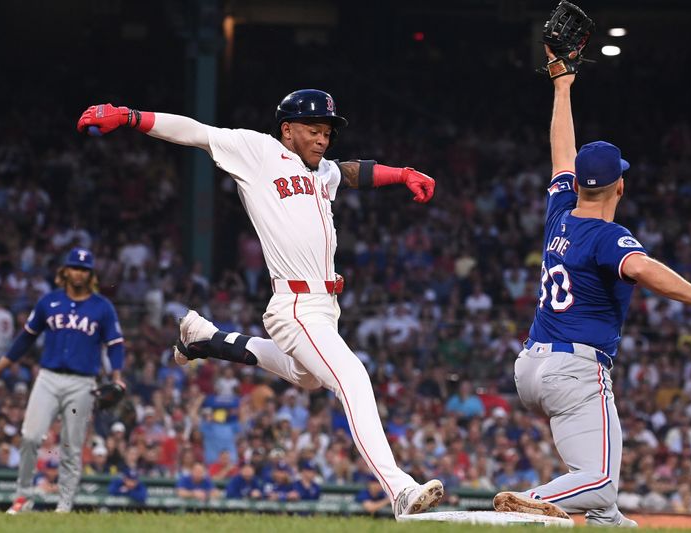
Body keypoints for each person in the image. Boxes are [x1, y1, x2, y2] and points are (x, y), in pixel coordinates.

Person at [77, 89, 443, 518]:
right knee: (352, 377)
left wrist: (401, 174)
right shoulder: (260, 152)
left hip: (326, 306)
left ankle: (207, 338)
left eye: (327, 131)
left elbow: (351, 172)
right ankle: (398, 487)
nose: (322, 138)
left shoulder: (321, 171)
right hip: (295, 304)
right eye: (313, 129)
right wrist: (130, 116)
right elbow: (197, 132)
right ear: (287, 130)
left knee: (307, 378)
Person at [492, 45, 691, 526]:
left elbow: (561, 154)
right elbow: (645, 269)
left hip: (532, 366)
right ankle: (524, 505)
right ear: (620, 187)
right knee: (601, 482)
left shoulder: (560, 213)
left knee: (604, 508)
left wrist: (562, 85)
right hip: (576, 372)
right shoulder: (609, 237)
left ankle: (570, 512)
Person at [0, 248, 126, 514]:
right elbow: (24, 338)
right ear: (65, 271)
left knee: (71, 446)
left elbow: (115, 344)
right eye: (74, 267)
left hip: (82, 384)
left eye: (84, 269)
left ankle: (65, 505)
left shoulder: (102, 307)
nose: (78, 272)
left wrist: (117, 375)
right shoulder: (49, 301)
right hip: (48, 378)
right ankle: (23, 497)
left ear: (90, 274)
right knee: (30, 437)